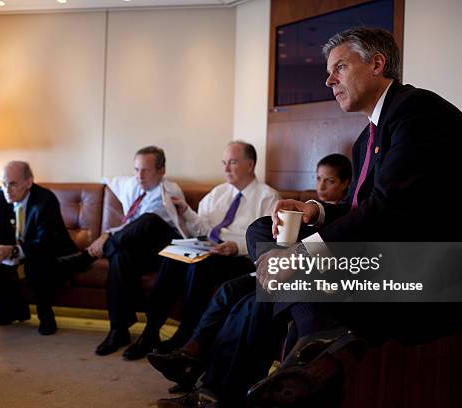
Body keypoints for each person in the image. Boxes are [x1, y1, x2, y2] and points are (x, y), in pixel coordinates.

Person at [156, 27, 462, 408]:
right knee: (261, 229)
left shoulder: (418, 112)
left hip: (449, 271)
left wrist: (301, 255)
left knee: (264, 290)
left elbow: (387, 210)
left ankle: (224, 386)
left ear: (377, 63)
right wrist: (313, 211)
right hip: (389, 257)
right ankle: (228, 383)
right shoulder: (365, 139)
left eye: (339, 67)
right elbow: (363, 209)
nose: (328, 79)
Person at [148, 153, 352, 393]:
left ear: (347, 183)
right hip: (278, 265)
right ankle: (192, 353)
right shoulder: (313, 212)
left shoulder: (347, 216)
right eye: (318, 179)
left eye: (329, 181)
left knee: (247, 303)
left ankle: (210, 383)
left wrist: (290, 253)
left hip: (296, 269)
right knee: (229, 287)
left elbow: (325, 250)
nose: (320, 186)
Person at [118, 141, 279, 361]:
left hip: (241, 257)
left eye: (232, 162)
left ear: (250, 165)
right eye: (224, 163)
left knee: (201, 263)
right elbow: (204, 229)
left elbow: (270, 241)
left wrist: (236, 246)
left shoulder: (268, 197)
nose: (226, 169)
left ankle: (186, 334)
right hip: (211, 247)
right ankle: (151, 330)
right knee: (174, 253)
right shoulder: (218, 193)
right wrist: (187, 213)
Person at [0, 161, 88, 335]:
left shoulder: (45, 199)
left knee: (36, 263)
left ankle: (46, 316)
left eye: (13, 184)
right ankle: (10, 312)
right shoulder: (0, 196)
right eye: (3, 184)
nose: (6, 190)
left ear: (28, 182)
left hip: (52, 252)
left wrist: (13, 250)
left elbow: (44, 242)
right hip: (19, 250)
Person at [93, 146, 189, 356]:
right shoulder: (135, 186)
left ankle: (150, 332)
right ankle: (118, 329)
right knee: (120, 255)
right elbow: (109, 179)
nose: (139, 176)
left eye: (145, 170)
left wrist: (107, 236)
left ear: (161, 170)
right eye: (136, 170)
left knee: (147, 220)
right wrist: (106, 233)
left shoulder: (168, 191)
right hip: (142, 251)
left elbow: (138, 226)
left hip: (166, 249)